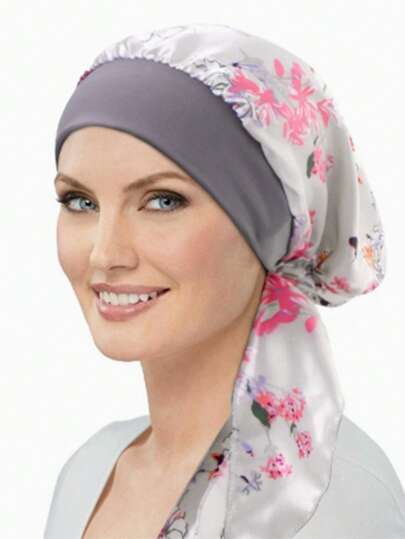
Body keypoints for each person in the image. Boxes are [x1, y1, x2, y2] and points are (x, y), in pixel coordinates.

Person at [44, 23, 405, 539]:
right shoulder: (89, 471)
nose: (105, 254)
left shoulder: (327, 500)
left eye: (163, 201)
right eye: (80, 202)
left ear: (269, 228)